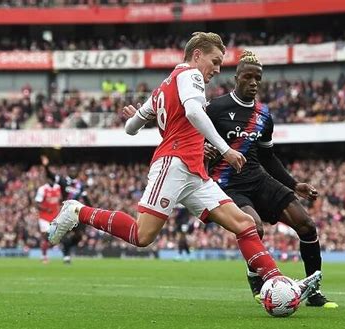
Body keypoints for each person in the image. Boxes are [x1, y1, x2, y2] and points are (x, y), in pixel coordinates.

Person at [48, 32, 321, 298]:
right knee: (141, 235)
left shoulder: (162, 88)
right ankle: (77, 211)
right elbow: (192, 112)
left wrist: (142, 115)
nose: (216, 69)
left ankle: (276, 283)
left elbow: (131, 128)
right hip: (173, 165)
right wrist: (225, 150)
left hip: (195, 172)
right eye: (214, 61)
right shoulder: (191, 75)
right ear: (197, 55)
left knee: (245, 224)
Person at [204, 50, 337, 308]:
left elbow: (268, 157)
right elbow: (193, 138)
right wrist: (203, 150)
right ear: (236, 78)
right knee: (253, 227)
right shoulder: (215, 108)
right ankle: (257, 279)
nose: (253, 83)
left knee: (307, 225)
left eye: (258, 79)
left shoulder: (264, 115)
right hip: (228, 182)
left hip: (258, 178)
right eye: (248, 77)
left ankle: (314, 290)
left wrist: (294, 184)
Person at [41, 155, 91, 264]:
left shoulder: (80, 185)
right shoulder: (63, 181)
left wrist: (92, 211)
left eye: (75, 171)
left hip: (77, 212)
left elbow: (86, 199)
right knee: (64, 234)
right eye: (71, 170)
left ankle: (66, 249)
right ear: (68, 171)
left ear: (77, 172)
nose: (73, 172)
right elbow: (51, 175)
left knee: (79, 236)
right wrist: (46, 166)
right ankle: (66, 255)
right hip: (65, 211)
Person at [35, 177, 62, 263]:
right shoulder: (42, 189)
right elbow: (37, 203)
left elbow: (60, 200)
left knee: (53, 236)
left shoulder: (58, 187)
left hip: (55, 217)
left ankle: (48, 251)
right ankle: (44, 256)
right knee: (46, 236)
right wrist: (46, 209)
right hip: (44, 217)